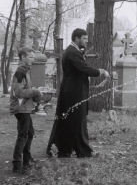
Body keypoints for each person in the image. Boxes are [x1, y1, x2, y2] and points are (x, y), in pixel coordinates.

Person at [46, 28, 109, 158]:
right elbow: (84, 68)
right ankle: (80, 149)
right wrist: (101, 72)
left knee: (71, 119)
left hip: (71, 88)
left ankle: (65, 148)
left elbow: (81, 68)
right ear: (77, 39)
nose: (86, 41)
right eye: (84, 39)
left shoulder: (72, 51)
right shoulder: (73, 52)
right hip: (74, 91)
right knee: (76, 119)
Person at [10, 47, 42, 174]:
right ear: (23, 57)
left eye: (33, 57)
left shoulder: (25, 71)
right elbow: (18, 92)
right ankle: (17, 164)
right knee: (23, 136)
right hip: (21, 108)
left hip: (25, 108)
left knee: (29, 133)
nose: (32, 60)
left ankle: (27, 159)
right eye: (30, 57)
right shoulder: (20, 72)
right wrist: (34, 91)